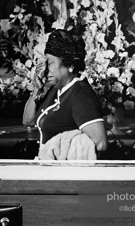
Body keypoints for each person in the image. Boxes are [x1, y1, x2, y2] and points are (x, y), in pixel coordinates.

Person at [23, 29, 108, 159]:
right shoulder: (56, 88)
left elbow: (100, 143)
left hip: (63, 173)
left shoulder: (80, 94)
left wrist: (63, 155)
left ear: (69, 64)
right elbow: (28, 121)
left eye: (50, 62)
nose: (45, 69)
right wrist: (36, 91)